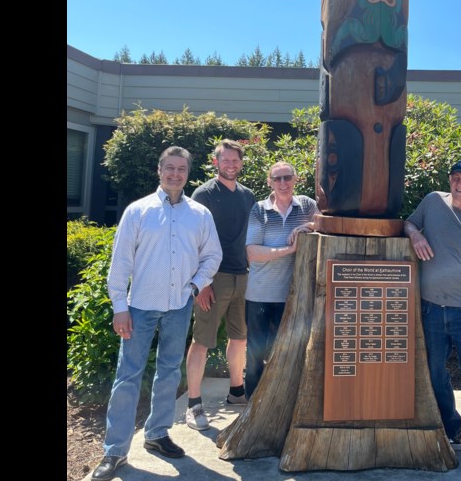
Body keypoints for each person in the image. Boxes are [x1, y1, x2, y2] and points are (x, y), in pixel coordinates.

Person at [91, 146, 223, 481]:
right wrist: (120, 307)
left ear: (188, 173)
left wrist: (195, 285)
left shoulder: (199, 214)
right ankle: (115, 451)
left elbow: (213, 255)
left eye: (181, 169)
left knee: (168, 373)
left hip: (178, 307)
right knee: (127, 377)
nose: (175, 174)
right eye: (169, 168)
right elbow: (120, 264)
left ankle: (157, 434)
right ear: (159, 170)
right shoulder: (138, 211)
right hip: (139, 308)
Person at [404, 160, 461, 479]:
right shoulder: (432, 201)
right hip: (430, 309)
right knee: (433, 373)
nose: (458, 183)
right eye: (454, 178)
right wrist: (416, 234)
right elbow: (407, 223)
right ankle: (452, 427)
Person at [184, 140, 258, 431]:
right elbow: (193, 240)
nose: (230, 165)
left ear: (241, 163)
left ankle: (236, 391)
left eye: (235, 160)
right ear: (216, 163)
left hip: (243, 276)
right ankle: (193, 404)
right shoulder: (204, 194)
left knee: (240, 338)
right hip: (214, 278)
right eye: (225, 160)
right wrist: (201, 284)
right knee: (202, 341)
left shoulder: (247, 195)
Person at [243, 161, 318, 398]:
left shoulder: (306, 205)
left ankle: (281, 403)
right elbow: (253, 253)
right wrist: (290, 249)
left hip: (293, 296)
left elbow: (326, 222)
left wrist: (306, 224)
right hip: (260, 295)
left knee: (288, 353)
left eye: (287, 177)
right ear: (270, 182)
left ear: (296, 179)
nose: (283, 183)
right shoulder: (259, 209)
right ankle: (252, 406)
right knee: (255, 355)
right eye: (278, 179)